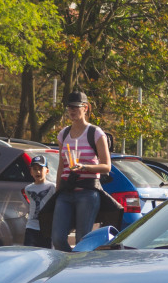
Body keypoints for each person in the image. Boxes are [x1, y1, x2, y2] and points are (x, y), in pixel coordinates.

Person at [52, 91, 112, 251]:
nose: (71, 110)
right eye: (69, 107)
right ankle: (70, 263)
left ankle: (77, 269)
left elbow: (107, 166)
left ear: (85, 108)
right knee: (57, 238)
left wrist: (84, 167)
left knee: (82, 240)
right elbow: (61, 166)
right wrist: (58, 190)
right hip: (66, 190)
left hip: (87, 191)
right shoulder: (63, 134)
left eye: (76, 107)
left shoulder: (96, 133)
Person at [22, 155, 55, 247]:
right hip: (31, 226)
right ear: (31, 172)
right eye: (35, 169)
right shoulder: (28, 189)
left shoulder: (52, 187)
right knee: (28, 252)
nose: (38, 172)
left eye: (41, 168)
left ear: (47, 171)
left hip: (47, 228)